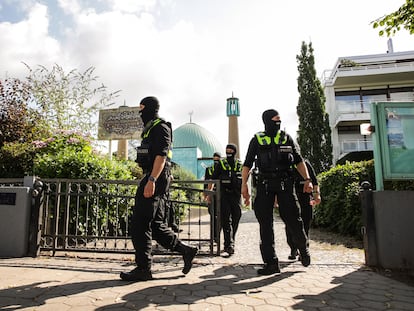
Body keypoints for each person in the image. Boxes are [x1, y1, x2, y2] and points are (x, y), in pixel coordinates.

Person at [120, 96, 197, 282]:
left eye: (142, 109)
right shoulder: (150, 129)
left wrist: (152, 179)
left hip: (156, 178)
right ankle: (185, 250)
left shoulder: (160, 127)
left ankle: (143, 268)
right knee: (155, 225)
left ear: (149, 109)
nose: (140, 113)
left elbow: (161, 156)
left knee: (140, 224)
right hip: (153, 177)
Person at [241, 109, 313, 275]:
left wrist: (307, 180)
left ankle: (303, 249)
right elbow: (247, 164)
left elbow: (298, 161)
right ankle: (271, 263)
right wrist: (243, 185)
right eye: (275, 120)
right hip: (265, 185)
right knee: (265, 225)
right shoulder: (257, 140)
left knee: (295, 220)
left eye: (279, 120)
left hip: (285, 185)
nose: (278, 123)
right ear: (266, 121)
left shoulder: (286, 138)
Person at [209, 144, 242, 256]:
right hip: (224, 196)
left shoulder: (239, 164)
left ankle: (231, 239)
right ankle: (228, 245)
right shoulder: (221, 164)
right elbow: (213, 178)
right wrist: (209, 194)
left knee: (236, 217)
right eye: (227, 150)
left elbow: (245, 178)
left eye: (231, 150)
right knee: (226, 220)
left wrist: (246, 195)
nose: (229, 151)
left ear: (235, 151)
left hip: (236, 196)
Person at [287, 159, 321, 260]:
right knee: (290, 225)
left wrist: (317, 195)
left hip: (306, 198)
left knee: (305, 224)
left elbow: (314, 181)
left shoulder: (306, 164)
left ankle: (304, 250)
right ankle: (293, 248)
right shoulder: (286, 164)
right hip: (291, 198)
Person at [204, 152, 221, 242]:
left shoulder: (222, 168)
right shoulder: (209, 169)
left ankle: (217, 235)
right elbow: (206, 182)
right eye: (214, 159)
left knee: (220, 216)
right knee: (213, 216)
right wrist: (206, 194)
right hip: (212, 194)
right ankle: (214, 236)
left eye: (217, 159)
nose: (216, 161)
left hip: (220, 194)